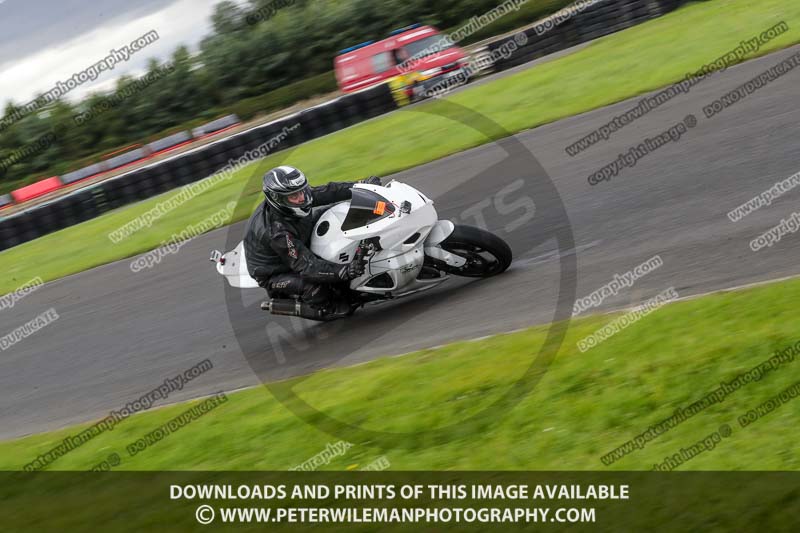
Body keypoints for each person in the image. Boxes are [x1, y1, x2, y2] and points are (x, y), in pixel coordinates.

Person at [243, 165, 381, 318]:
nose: (302, 198)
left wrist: (362, 186)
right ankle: (329, 308)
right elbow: (308, 267)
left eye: (301, 191)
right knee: (313, 288)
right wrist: (344, 270)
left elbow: (330, 191)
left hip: (299, 232)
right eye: (294, 196)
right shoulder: (276, 233)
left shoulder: (298, 197)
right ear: (278, 199)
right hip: (276, 271)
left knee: (339, 210)